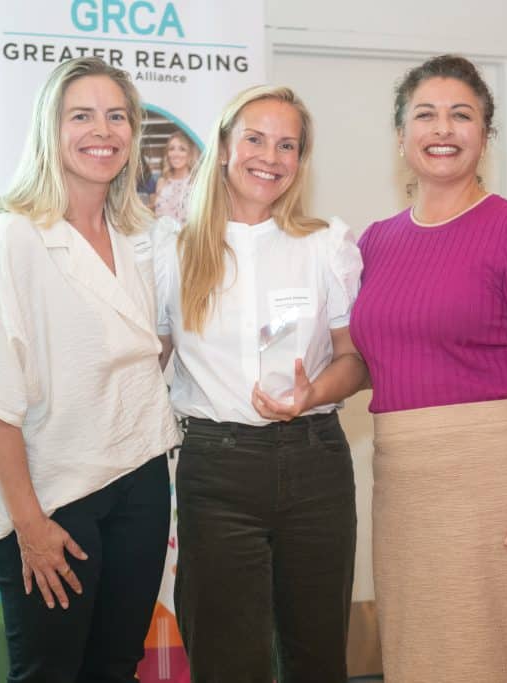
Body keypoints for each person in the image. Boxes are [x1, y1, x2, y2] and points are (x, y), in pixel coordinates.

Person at [350, 54, 507, 682]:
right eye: (425, 115)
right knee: (426, 653)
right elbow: (373, 360)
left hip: (503, 487)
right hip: (407, 491)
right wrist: (304, 392)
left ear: (485, 135)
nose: (443, 129)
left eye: (462, 115)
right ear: (401, 136)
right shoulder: (374, 242)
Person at [0, 57, 179, 683]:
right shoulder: (16, 240)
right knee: (51, 671)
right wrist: (29, 525)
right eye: (81, 115)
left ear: (134, 134)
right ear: (50, 130)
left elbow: (132, 358)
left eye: (116, 116)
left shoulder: (132, 237)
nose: (100, 131)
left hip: (138, 480)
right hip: (52, 499)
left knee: (116, 666)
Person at [154, 84, 366, 683]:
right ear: (223, 147)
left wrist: (313, 394)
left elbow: (356, 361)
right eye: (254, 138)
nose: (269, 156)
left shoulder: (326, 246)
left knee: (315, 656)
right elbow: (151, 363)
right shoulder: (172, 250)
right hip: (215, 471)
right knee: (227, 661)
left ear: (301, 160)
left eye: (287, 144)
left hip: (314, 464)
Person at [153, 129, 197, 222]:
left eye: (182, 149)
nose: (175, 154)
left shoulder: (197, 183)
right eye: (171, 149)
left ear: (190, 153)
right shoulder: (162, 182)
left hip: (188, 236)